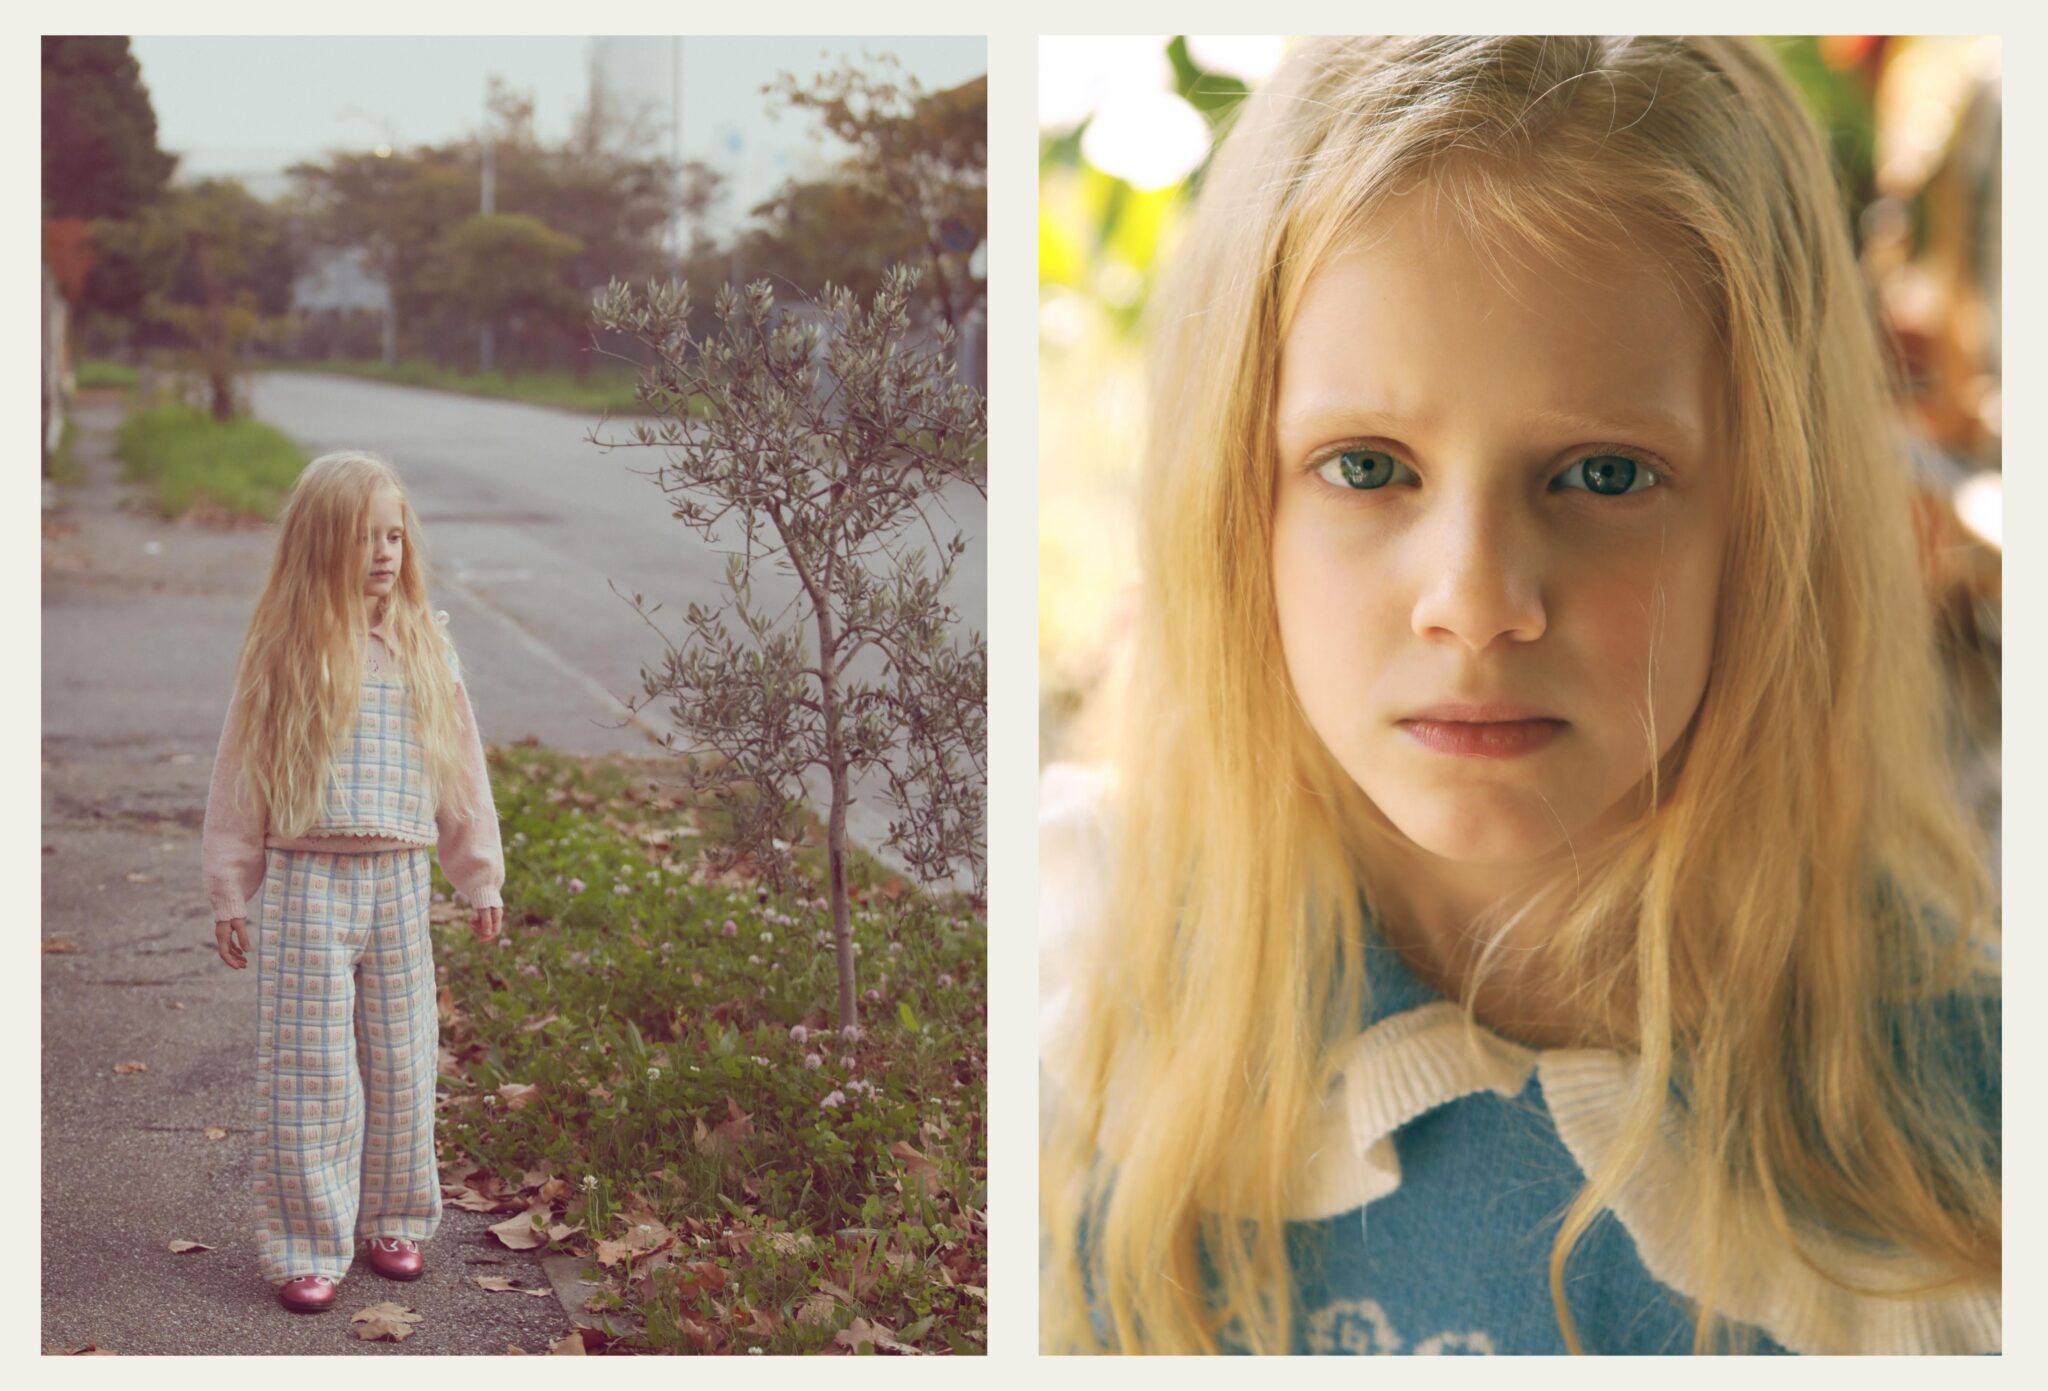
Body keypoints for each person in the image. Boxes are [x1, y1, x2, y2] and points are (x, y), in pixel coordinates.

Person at [1040, 35, 2000, 1356]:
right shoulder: (1063, 982)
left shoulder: (1966, 1135)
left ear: (1774, 516)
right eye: (1367, 465)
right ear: (1230, 497)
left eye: (1604, 474)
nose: (1479, 598)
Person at [203, 451, 504, 1313]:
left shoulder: (422, 644)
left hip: (400, 879)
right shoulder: (285, 649)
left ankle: (395, 1217)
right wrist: (232, 886)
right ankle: (306, 1241)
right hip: (307, 884)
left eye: (394, 533)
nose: (383, 551)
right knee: (311, 1068)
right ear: (319, 544)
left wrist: (478, 874)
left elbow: (461, 771)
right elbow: (240, 775)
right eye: (364, 536)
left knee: (404, 1060)